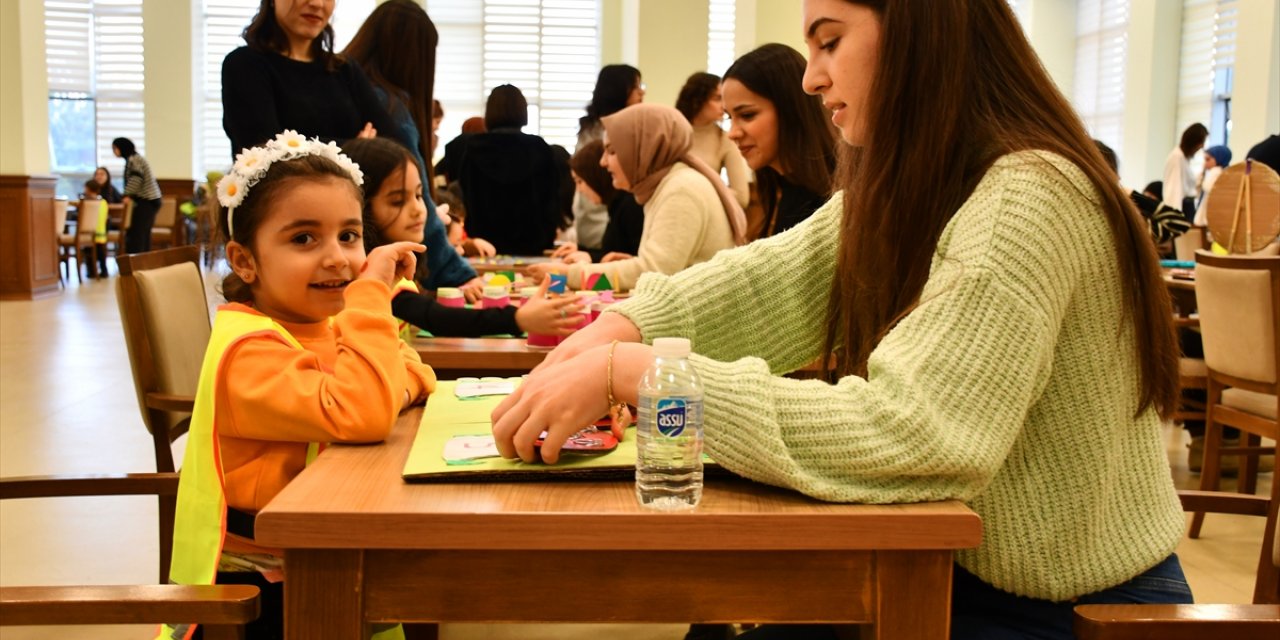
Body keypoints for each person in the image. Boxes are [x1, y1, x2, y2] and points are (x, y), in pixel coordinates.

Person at [492, 2, 1191, 639]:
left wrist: (647, 375)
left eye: (829, 43)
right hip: (967, 571)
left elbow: (918, 430)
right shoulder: (930, 180)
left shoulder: (1029, 195)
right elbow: (768, 283)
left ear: (923, 32)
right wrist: (624, 328)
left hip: (1077, 609)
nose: (811, 80)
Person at [159, 132, 435, 640]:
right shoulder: (249, 352)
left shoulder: (323, 323)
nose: (337, 258)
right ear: (245, 261)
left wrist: (385, 387)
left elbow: (416, 370)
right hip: (263, 597)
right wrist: (370, 296)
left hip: (331, 540)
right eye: (304, 239)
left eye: (349, 236)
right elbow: (365, 411)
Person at [342, 136, 582, 339]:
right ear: (361, 207)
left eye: (418, 195)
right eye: (397, 201)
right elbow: (434, 317)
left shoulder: (396, 266)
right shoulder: (369, 273)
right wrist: (517, 318)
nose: (418, 208)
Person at [343, 0, 485, 299]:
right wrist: (458, 275)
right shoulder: (392, 111)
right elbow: (424, 215)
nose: (415, 207)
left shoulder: (343, 90)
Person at [527, 104, 745, 291]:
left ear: (642, 150)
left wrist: (569, 275)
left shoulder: (680, 190)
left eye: (612, 152)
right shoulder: (668, 185)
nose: (603, 163)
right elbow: (662, 269)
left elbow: (653, 275)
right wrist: (633, 263)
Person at [220, 0, 406, 162]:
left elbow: (393, 145)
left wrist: (307, 145)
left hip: (349, 199)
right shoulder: (244, 65)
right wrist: (356, 148)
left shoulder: (344, 69)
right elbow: (267, 151)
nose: (317, 3)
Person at [723, 43, 837, 238]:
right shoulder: (778, 188)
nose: (732, 133)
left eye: (747, 115)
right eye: (728, 117)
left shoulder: (829, 203)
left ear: (790, 110)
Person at [454, 84, 565, 255]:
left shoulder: (473, 149)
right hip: (533, 246)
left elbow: (466, 197)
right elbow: (552, 199)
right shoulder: (540, 148)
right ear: (523, 111)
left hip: (484, 247)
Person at [573, 64, 645, 251]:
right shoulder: (598, 132)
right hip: (600, 227)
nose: (641, 93)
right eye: (636, 87)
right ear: (619, 91)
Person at [552, 139, 645, 264]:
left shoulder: (630, 205)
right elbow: (611, 254)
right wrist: (581, 250)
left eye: (580, 181)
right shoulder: (617, 205)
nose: (579, 190)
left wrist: (590, 256)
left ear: (596, 176)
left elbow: (633, 261)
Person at [675, 72, 751, 208]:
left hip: (705, 211)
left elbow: (742, 197)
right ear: (697, 99)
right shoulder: (671, 133)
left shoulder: (725, 139)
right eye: (717, 98)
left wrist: (701, 188)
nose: (723, 105)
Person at [1094, 140, 1190, 243]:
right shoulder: (1122, 219)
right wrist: (1132, 194)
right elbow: (1180, 223)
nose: (1119, 177)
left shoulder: (1119, 216)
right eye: (1115, 171)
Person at [111, 137, 161, 254]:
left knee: (138, 233)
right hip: (150, 200)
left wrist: (127, 195)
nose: (114, 152)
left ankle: (136, 262)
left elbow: (136, 178)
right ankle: (142, 261)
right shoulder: (134, 158)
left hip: (147, 200)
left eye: (114, 148)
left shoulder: (134, 160)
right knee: (143, 233)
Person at [1163, 123, 1208, 218]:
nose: (1202, 146)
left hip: (1187, 206)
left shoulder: (1183, 158)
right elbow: (1174, 189)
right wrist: (1174, 216)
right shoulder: (1177, 157)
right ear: (1193, 141)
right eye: (1201, 142)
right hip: (1182, 208)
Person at [1193, 145, 1231, 227]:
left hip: (1208, 214)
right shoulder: (1224, 172)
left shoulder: (1216, 172)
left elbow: (1207, 187)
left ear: (1218, 159)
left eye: (1208, 159)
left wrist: (1203, 174)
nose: (1205, 163)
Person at [80, 179, 110, 277]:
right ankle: (104, 270)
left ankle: (91, 271)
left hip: (89, 233)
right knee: (101, 254)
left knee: (88, 251)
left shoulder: (87, 203)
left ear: (88, 189)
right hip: (102, 232)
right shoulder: (103, 202)